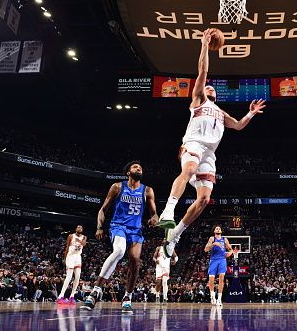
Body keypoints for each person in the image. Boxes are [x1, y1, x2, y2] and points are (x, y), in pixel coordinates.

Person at [157, 28, 266, 256]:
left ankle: (174, 235)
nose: (209, 87)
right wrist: (205, 45)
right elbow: (203, 70)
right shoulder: (199, 99)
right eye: (207, 86)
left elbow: (237, 125)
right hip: (193, 143)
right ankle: (168, 211)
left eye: (212, 87)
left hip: (210, 154)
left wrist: (251, 114)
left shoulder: (220, 111)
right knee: (188, 169)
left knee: (205, 199)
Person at [80, 161, 158, 312]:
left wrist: (154, 218)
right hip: (118, 226)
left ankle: (127, 297)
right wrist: (99, 227)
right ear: (128, 172)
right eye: (135, 167)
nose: (139, 168)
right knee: (119, 250)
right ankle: (96, 291)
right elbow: (103, 209)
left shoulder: (147, 191)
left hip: (136, 230)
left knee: (135, 262)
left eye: (141, 167)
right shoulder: (117, 187)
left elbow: (154, 213)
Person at [57, 225, 87, 304]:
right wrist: (64, 257)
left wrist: (79, 241)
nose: (79, 228)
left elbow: (84, 244)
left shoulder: (84, 237)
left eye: (80, 227)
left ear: (82, 230)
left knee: (77, 277)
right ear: (75, 229)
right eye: (78, 227)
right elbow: (67, 247)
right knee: (69, 276)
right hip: (70, 256)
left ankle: (72, 296)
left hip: (78, 257)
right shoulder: (71, 236)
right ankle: (60, 296)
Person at [204, 225, 233, 306]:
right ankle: (212, 296)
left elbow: (231, 250)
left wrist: (229, 254)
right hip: (213, 260)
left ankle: (219, 299)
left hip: (222, 260)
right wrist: (214, 244)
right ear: (214, 231)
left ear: (221, 231)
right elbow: (206, 249)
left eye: (219, 228)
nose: (218, 229)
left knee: (221, 279)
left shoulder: (225, 239)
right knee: (211, 280)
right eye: (216, 228)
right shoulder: (212, 238)